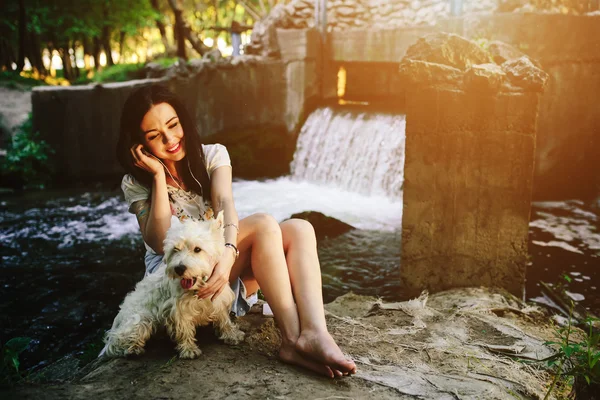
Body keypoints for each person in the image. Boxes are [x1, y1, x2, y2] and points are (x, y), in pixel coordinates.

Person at [115, 84, 357, 378]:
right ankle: (292, 340)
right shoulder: (136, 181)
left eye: (173, 125)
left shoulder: (212, 155)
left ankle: (316, 332)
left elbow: (224, 202)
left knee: (301, 228)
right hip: (178, 279)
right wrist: (156, 175)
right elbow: (158, 241)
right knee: (265, 224)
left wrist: (229, 253)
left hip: (222, 262)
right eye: (154, 136)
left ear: (184, 121)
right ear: (139, 144)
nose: (170, 139)